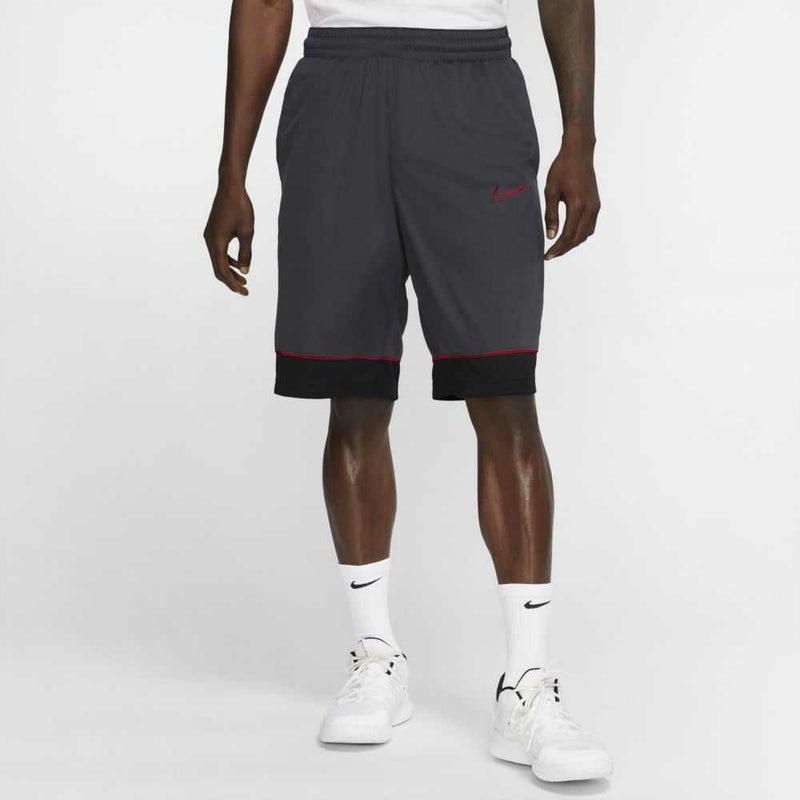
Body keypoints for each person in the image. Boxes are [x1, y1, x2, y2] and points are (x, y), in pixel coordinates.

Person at [204, 0, 611, 784]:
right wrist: (231, 174)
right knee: (352, 387)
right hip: (337, 91)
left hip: (473, 90)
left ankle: (527, 685)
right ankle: (376, 657)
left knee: (503, 388)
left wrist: (580, 138)